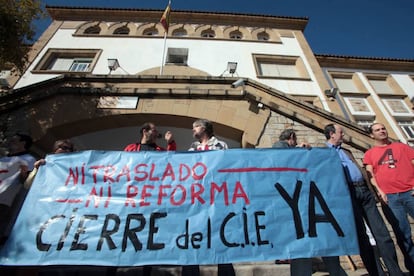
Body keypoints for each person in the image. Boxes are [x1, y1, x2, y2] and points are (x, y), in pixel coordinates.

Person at [325, 123, 404, 276]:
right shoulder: (323, 153)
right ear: (332, 134)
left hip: (364, 191)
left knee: (383, 235)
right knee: (361, 238)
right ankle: (376, 273)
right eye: (341, 132)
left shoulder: (346, 151)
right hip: (348, 195)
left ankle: (395, 272)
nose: (343, 135)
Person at [272, 128, 346, 276]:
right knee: (308, 243)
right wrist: (299, 152)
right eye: (296, 140)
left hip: (307, 202)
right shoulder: (281, 147)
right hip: (301, 203)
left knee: (316, 242)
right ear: (292, 138)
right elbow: (280, 160)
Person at [123, 122, 176, 276]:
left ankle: (147, 267)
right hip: (134, 196)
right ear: (145, 131)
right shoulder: (131, 148)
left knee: (150, 230)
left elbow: (171, 161)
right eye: (154, 130)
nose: (156, 133)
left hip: (152, 197)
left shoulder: (160, 150)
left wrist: (170, 143)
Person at [183, 118, 233, 276]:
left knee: (219, 234)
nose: (193, 130)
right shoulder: (193, 148)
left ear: (204, 128)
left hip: (216, 196)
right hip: (196, 198)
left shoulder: (221, 145)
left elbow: (227, 167)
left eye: (195, 127)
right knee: (192, 236)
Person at [363, 122, 414, 274]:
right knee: (403, 233)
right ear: (372, 135)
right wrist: (380, 191)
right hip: (390, 198)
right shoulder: (370, 154)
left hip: (410, 192)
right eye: (377, 130)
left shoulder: (402, 147)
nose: (382, 131)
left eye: (383, 128)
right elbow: (370, 175)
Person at [0, 133, 36, 244]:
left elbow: (27, 182)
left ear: (23, 143)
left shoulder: (29, 159)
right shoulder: (3, 159)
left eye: (14, 140)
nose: (10, 142)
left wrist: (24, 174)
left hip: (5, 199)